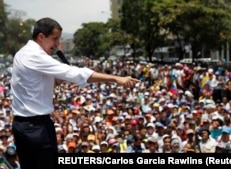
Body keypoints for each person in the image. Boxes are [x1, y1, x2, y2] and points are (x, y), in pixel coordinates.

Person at [10, 17, 140, 169]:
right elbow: (77, 73)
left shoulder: (22, 53)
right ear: (41, 36)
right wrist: (116, 79)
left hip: (24, 125)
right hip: (36, 127)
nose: (57, 44)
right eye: (55, 39)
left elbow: (37, 82)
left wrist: (58, 79)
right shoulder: (35, 55)